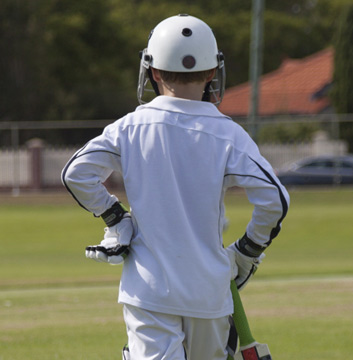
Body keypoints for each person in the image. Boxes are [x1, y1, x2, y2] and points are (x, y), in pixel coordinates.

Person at [61, 14, 289, 360]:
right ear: (213, 73)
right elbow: (275, 199)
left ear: (151, 71)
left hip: (147, 291)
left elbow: (76, 174)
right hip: (209, 294)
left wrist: (114, 216)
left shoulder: (129, 128)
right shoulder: (227, 133)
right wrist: (247, 249)